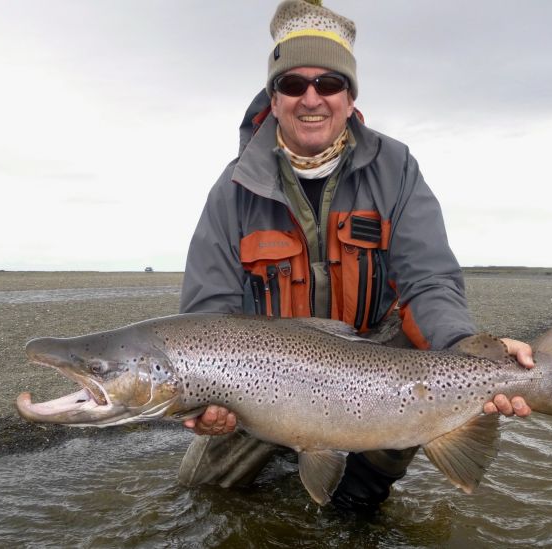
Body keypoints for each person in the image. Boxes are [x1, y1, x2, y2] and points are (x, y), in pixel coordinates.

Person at [178, 0, 533, 511]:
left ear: (349, 96)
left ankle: (364, 492)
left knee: (367, 490)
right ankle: (285, 454)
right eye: (292, 85)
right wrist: (203, 402)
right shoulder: (232, 190)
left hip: (377, 365)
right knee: (202, 492)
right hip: (264, 377)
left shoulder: (396, 167)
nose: (311, 99)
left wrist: (463, 345)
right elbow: (205, 317)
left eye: (328, 84)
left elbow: (428, 280)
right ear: (273, 99)